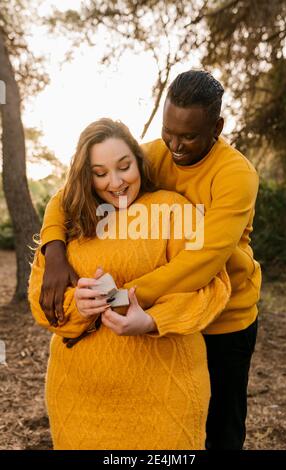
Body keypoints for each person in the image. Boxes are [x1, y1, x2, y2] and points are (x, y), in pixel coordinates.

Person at [38, 70, 261, 449]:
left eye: (188, 136)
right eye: (168, 131)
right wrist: (54, 250)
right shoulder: (155, 153)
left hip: (226, 317)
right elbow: (67, 193)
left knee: (221, 427)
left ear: (217, 126)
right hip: (165, 308)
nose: (174, 145)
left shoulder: (236, 175)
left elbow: (201, 262)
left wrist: (122, 296)